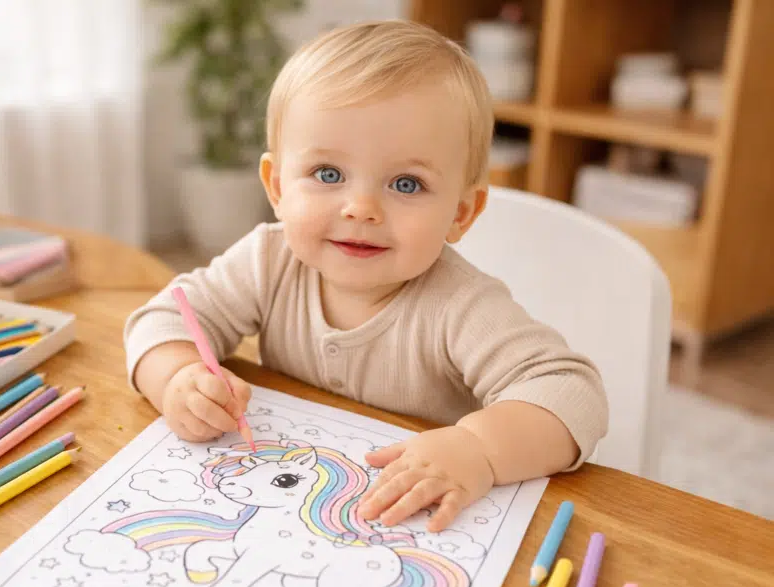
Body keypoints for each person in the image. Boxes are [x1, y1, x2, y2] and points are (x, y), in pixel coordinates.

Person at [124, 20, 608, 532]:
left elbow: (572, 394)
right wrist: (177, 378)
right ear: (278, 186)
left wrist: (478, 450)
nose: (361, 208)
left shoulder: (460, 305)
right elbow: (166, 316)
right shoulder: (268, 259)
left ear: (462, 213)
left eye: (406, 183)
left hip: (420, 522)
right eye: (328, 174)